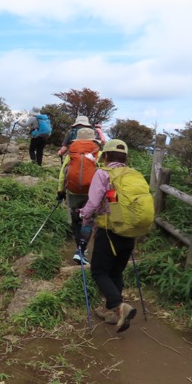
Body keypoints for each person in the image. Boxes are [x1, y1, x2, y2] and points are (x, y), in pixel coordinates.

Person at [79, 139, 138, 333]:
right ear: (125, 157)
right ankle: (111, 312)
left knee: (98, 271)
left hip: (109, 231)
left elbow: (94, 202)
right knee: (116, 272)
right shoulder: (134, 174)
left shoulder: (103, 173)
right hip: (130, 232)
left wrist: (83, 215)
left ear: (105, 156)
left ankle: (118, 306)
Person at [57, 127, 102, 263]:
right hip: (92, 193)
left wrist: (60, 192)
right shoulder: (98, 153)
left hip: (73, 190)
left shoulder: (72, 152)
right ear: (93, 139)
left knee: (76, 219)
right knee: (88, 220)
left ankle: (79, 246)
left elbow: (62, 174)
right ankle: (81, 251)